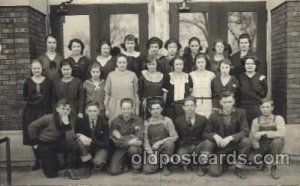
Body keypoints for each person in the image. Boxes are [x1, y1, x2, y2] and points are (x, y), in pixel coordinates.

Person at [28, 99, 80, 180]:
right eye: (63, 108)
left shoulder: (70, 119)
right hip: (45, 144)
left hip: (57, 143)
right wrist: (35, 142)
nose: (65, 111)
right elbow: (32, 126)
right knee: (52, 175)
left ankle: (68, 170)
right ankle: (50, 163)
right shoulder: (48, 118)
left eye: (67, 109)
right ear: (57, 109)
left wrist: (67, 124)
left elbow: (70, 139)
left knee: (73, 145)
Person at [204, 91, 251, 179]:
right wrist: (215, 135)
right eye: (225, 102)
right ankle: (225, 163)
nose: (227, 104)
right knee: (214, 173)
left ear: (233, 101)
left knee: (246, 141)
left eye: (230, 102)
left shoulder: (240, 112)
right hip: (221, 149)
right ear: (220, 102)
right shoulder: (214, 115)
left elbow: (245, 131)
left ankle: (238, 167)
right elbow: (206, 133)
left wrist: (231, 138)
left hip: (235, 147)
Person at [23, 59, 52, 170]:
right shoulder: (28, 82)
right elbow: (25, 97)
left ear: (42, 69)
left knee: (44, 135)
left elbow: (49, 97)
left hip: (44, 111)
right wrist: (36, 100)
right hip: (31, 112)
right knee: (33, 136)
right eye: (34, 68)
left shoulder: (48, 81)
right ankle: (37, 161)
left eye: (38, 68)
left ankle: (45, 160)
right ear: (31, 69)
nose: (36, 70)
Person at [174, 97, 214, 176]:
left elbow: (206, 134)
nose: (189, 108)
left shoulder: (203, 119)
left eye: (192, 105)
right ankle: (189, 162)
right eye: (187, 106)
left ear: (196, 107)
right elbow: (176, 136)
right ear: (183, 107)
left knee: (208, 143)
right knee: (180, 160)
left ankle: (202, 166)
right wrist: (179, 150)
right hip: (184, 146)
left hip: (198, 146)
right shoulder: (178, 120)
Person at [249, 98, 285, 179]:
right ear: (260, 108)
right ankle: (262, 162)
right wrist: (254, 142)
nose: (265, 109)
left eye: (267, 107)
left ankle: (274, 167)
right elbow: (252, 136)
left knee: (278, 141)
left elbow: (281, 133)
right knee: (250, 159)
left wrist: (264, 133)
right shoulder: (256, 121)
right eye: (263, 107)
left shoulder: (278, 118)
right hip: (261, 145)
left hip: (273, 145)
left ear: (272, 108)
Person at [143, 99, 178, 176]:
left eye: (158, 108)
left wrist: (160, 142)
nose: (155, 111)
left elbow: (175, 136)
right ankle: (158, 163)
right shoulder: (146, 123)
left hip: (164, 147)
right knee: (147, 170)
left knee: (169, 144)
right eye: (153, 109)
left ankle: (164, 165)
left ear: (161, 109)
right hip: (153, 149)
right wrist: (151, 154)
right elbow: (146, 140)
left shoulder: (167, 120)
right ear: (149, 110)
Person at [109, 98, 144, 175]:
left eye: (128, 108)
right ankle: (126, 163)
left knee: (134, 149)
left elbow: (139, 138)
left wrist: (121, 137)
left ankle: (136, 167)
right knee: (114, 171)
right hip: (120, 148)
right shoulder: (115, 121)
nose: (126, 111)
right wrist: (129, 141)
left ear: (132, 109)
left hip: (134, 147)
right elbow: (115, 141)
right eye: (124, 108)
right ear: (121, 109)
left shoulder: (138, 120)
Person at [75, 102, 110, 178]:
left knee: (98, 162)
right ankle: (87, 166)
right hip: (87, 147)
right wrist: (80, 136)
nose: (92, 113)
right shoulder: (80, 121)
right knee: (79, 142)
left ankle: (101, 163)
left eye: (94, 111)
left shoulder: (104, 122)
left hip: (100, 147)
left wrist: (91, 141)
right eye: (90, 111)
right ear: (86, 111)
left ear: (98, 111)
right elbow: (76, 134)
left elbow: (106, 143)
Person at [104, 54, 139, 123]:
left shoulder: (132, 75)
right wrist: (107, 108)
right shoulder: (111, 75)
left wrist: (137, 108)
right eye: (120, 62)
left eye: (124, 62)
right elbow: (107, 93)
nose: (122, 65)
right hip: (114, 105)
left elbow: (136, 93)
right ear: (116, 63)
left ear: (127, 63)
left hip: (129, 105)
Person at [238, 55, 268, 126]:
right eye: (247, 64)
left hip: (257, 106)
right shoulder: (239, 77)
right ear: (244, 65)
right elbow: (237, 94)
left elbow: (265, 93)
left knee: (256, 126)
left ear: (256, 65)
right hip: (243, 106)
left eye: (252, 64)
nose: (250, 66)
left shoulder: (261, 77)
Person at [190, 53, 215, 118]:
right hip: (195, 103)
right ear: (195, 63)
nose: (200, 64)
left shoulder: (211, 75)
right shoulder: (191, 75)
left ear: (206, 62)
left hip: (207, 103)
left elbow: (214, 90)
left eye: (202, 62)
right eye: (198, 62)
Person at [139, 55, 164, 119]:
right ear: (146, 65)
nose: (151, 66)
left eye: (153, 64)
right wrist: (142, 100)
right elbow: (140, 90)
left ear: (157, 64)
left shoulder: (162, 75)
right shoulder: (143, 75)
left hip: (159, 103)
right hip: (147, 103)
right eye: (149, 64)